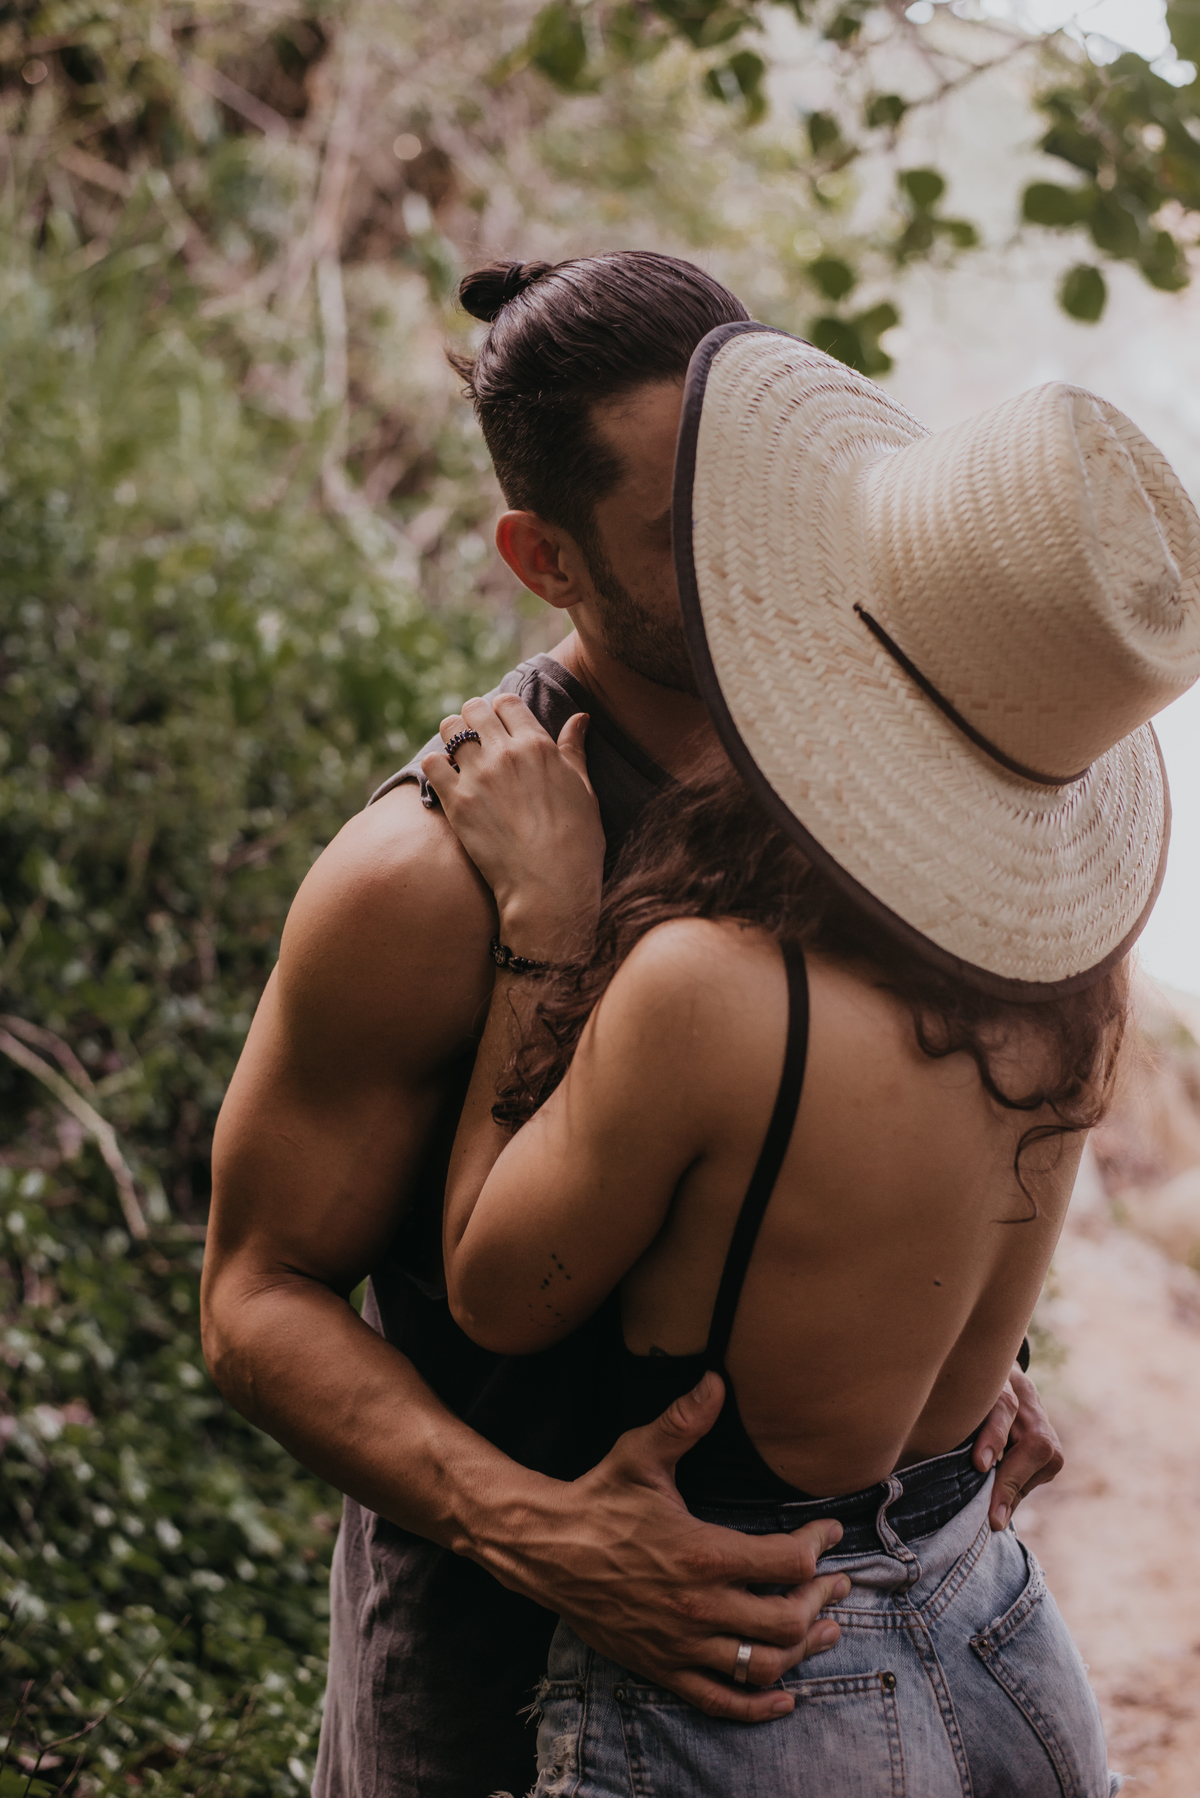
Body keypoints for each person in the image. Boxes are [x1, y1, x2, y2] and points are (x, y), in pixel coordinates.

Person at [201, 257, 1066, 1798]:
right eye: (684, 528)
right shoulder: (422, 878)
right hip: (488, 1638)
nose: (756, 555)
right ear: (543, 556)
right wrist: (535, 1529)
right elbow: (253, 1296)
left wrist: (946, 1350)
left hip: (839, 1648)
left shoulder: (872, 774)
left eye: (767, 498)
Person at [426, 326, 1200, 1794]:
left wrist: (543, 928)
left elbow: (489, 1289)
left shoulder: (711, 989)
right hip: (999, 1627)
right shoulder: (1078, 980)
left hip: (764, 1668)